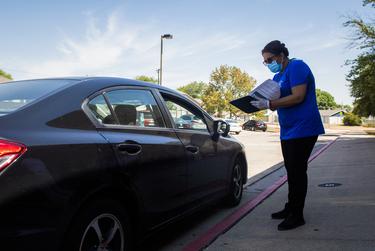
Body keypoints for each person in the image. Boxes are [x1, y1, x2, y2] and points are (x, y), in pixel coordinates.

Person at [251, 40, 325, 231]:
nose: (268, 64)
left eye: (269, 59)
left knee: (297, 171)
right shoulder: (278, 75)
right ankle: (290, 207)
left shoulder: (297, 66)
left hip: (304, 127)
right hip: (288, 130)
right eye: (265, 61)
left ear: (281, 56)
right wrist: (256, 102)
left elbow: (298, 96)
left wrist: (270, 105)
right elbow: (273, 98)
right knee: (291, 171)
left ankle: (297, 215)